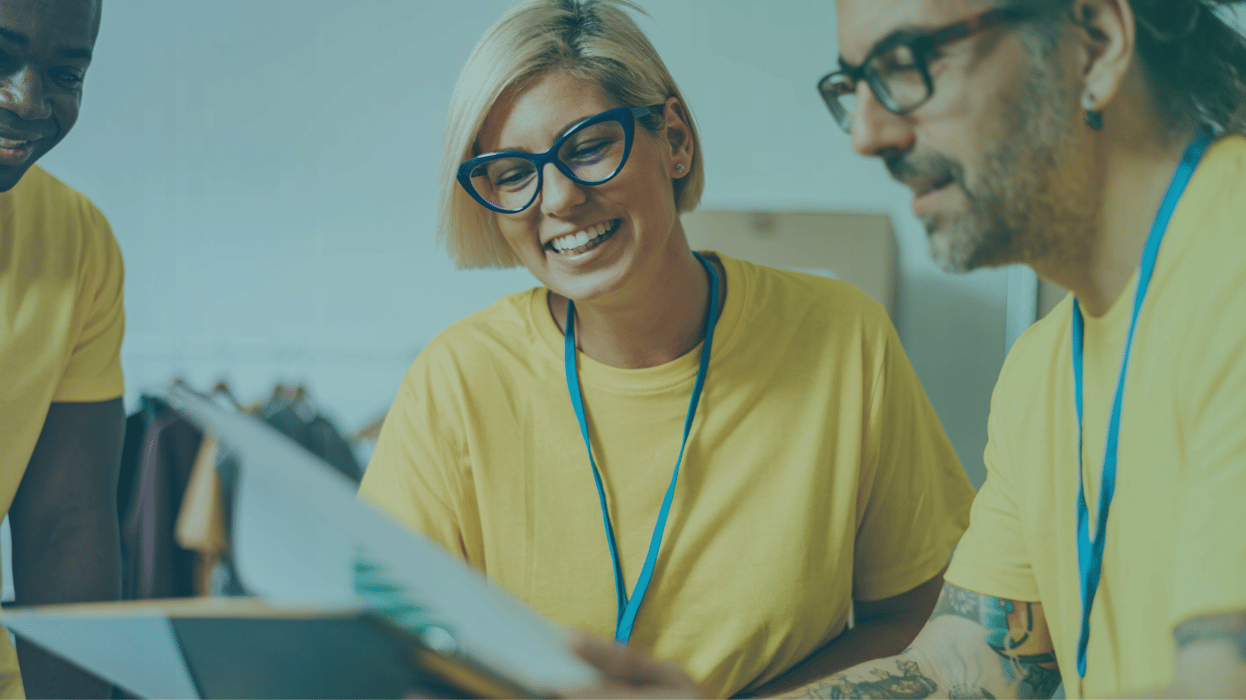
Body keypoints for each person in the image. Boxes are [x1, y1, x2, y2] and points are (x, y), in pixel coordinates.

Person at [567, 0, 1246, 698]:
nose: (867, 133)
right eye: (854, 87)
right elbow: (966, 664)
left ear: (1096, 44)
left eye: (907, 65)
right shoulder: (1043, 368)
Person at [358, 0, 977, 696]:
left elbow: (923, 621)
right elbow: (382, 657)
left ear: (674, 141)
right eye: (512, 174)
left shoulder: (843, 338)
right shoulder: (455, 381)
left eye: (588, 146)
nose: (557, 199)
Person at [0, 0, 124, 698]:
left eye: (64, 73)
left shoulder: (78, 244)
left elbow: (63, 528)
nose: (27, 100)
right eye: (0, 56)